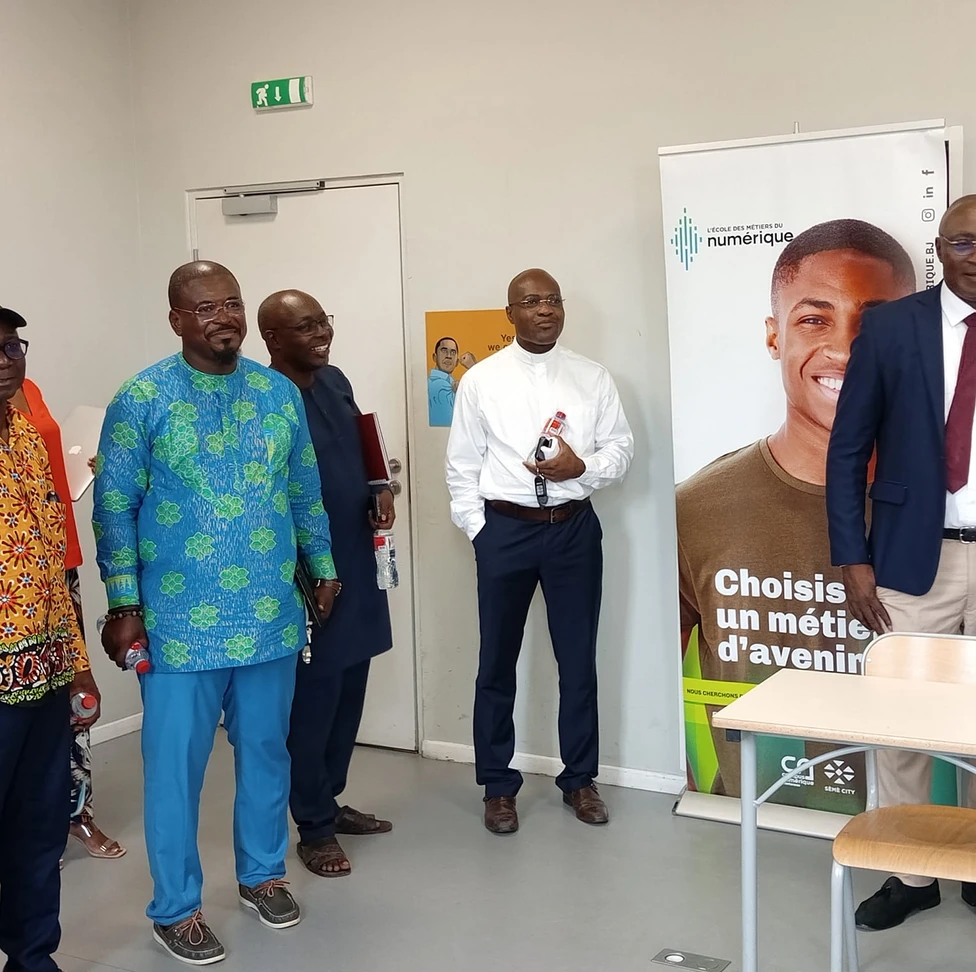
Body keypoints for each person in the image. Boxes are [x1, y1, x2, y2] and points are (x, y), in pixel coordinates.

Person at [93, 262, 339, 966]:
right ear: (176, 319)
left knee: (265, 752)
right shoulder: (142, 398)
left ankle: (262, 875)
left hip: (269, 614)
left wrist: (322, 565)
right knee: (175, 770)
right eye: (204, 308)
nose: (222, 318)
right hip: (178, 625)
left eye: (231, 304)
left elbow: (304, 487)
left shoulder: (276, 393)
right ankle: (176, 909)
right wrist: (123, 601)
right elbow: (114, 507)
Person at [677, 220, 916, 806]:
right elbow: (666, 693)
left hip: (918, 839)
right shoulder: (695, 508)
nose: (846, 349)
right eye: (814, 319)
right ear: (773, 336)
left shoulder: (958, 511)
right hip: (753, 832)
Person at [827, 195, 976, 930]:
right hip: (916, 558)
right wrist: (852, 558)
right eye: (965, 242)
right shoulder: (891, 328)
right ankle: (912, 873)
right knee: (904, 720)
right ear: (940, 250)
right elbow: (848, 449)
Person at [445, 268, 633, 834]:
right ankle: (497, 787)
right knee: (496, 662)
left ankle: (579, 780)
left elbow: (621, 449)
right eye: (531, 301)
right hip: (505, 530)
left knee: (577, 660)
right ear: (510, 314)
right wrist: (479, 530)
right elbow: (461, 465)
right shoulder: (481, 380)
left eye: (553, 299)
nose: (544, 309)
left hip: (574, 530)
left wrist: (584, 467)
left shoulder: (592, 377)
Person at [258, 290, 394, 878]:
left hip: (356, 559)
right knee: (312, 702)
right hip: (307, 573)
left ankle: (330, 799)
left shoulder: (335, 381)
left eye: (323, 322)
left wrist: (379, 487)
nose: (322, 334)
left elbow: (362, 446)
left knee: (350, 687)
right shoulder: (264, 397)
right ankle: (312, 826)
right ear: (272, 338)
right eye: (306, 326)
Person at [0, 304, 100, 972]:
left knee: (38, 830)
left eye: (13, 345)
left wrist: (77, 662)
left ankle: (33, 959)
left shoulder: (29, 440)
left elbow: (52, 558)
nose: (5, 359)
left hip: (44, 672)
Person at [10, 378, 125, 862]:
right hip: (13, 575)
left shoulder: (27, 387)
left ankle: (76, 812)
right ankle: (27, 826)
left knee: (73, 692)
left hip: (57, 553)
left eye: (13, 346)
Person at [428, 336, 459, 426]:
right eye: (444, 351)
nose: (448, 356)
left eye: (453, 352)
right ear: (435, 357)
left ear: (457, 361)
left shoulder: (452, 384)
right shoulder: (440, 385)